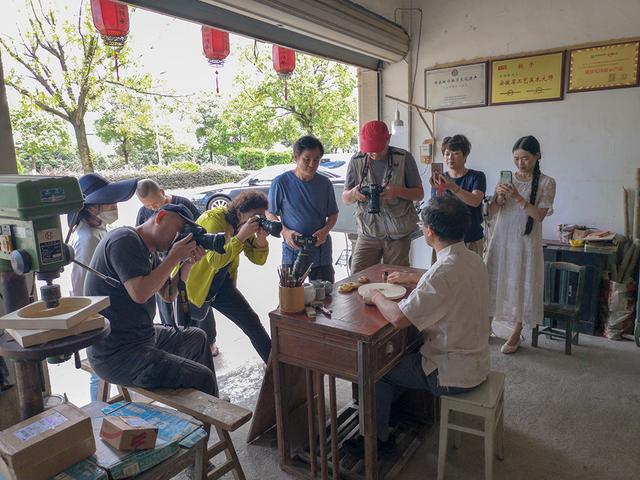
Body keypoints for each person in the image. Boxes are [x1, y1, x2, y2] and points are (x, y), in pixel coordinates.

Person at [345, 195, 490, 456]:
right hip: (477, 361)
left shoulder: (441, 273)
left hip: (450, 374)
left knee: (375, 368)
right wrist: (416, 276)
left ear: (429, 232)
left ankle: (377, 442)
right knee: (401, 354)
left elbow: (400, 318)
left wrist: (375, 295)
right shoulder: (473, 259)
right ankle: (392, 413)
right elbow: (448, 280)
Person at [85, 204, 217, 396]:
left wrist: (187, 262)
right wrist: (173, 258)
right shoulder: (124, 240)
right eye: (178, 231)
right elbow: (139, 293)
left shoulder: (148, 250)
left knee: (197, 338)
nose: (178, 238)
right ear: (160, 216)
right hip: (115, 354)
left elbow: (168, 293)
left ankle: (206, 411)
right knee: (203, 377)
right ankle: (206, 419)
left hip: (141, 338)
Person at [67, 173, 138, 401]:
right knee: (100, 372)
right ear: (92, 207)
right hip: (99, 317)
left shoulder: (99, 230)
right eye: (109, 202)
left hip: (109, 312)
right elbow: (80, 287)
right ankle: (97, 414)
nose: (114, 206)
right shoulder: (87, 238)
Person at [485, 135, 556, 354]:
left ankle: (516, 332)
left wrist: (517, 197)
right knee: (492, 279)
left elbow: (539, 215)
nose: (520, 163)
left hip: (526, 241)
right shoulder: (506, 179)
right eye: (516, 158)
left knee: (522, 282)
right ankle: (485, 327)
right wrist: (498, 198)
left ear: (537, 157)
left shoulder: (547, 182)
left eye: (525, 158)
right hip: (502, 238)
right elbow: (491, 213)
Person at [133, 179, 222, 354]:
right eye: (149, 205)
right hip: (161, 265)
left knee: (198, 303)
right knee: (167, 306)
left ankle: (209, 341)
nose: (154, 208)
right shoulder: (141, 217)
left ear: (162, 191)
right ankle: (174, 338)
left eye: (156, 203)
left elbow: (200, 229)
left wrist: (187, 257)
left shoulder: (182, 204)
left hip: (186, 261)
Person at [185, 191, 272, 363]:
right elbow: (215, 261)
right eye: (255, 216)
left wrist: (261, 239)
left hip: (221, 283)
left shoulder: (243, 225)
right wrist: (241, 236)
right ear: (240, 212)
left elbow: (258, 259)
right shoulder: (215, 220)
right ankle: (191, 381)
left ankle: (276, 368)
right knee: (191, 338)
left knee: (252, 322)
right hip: (194, 284)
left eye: (262, 216)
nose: (258, 220)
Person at [342, 120, 424, 274]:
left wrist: (397, 191)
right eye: (369, 149)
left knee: (396, 281)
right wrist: (355, 193)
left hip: (398, 234)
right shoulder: (357, 160)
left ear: (389, 139)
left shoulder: (403, 158)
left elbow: (419, 194)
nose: (373, 153)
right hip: (368, 231)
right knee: (357, 277)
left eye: (378, 149)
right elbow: (345, 198)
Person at [267, 136, 339, 283]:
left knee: (325, 297)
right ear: (296, 157)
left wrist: (324, 231)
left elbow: (333, 214)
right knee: (291, 300)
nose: (312, 164)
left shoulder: (325, 183)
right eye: (307, 159)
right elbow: (270, 213)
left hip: (321, 251)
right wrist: (285, 232)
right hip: (293, 249)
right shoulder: (281, 182)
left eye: (316, 160)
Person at [430, 134, 486, 256]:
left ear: (465, 155)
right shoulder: (439, 179)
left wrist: (453, 187)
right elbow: (435, 209)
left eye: (455, 153)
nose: (450, 157)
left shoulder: (476, 176)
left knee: (471, 274)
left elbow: (475, 201)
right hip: (444, 241)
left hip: (471, 238)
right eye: (447, 153)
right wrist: (439, 189)